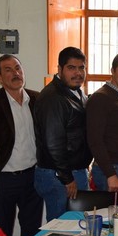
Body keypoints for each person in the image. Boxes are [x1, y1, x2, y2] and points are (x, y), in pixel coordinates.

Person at [0, 55, 43, 236]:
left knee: (32, 232)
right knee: (1, 233)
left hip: (32, 178)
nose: (16, 73)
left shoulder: (37, 99)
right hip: (4, 179)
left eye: (18, 68)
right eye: (8, 70)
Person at [34, 46, 92, 221]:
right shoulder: (54, 98)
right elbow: (53, 143)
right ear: (59, 69)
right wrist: (67, 178)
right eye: (71, 68)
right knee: (62, 229)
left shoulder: (75, 92)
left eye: (81, 67)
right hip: (59, 177)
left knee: (75, 226)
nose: (78, 73)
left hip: (71, 172)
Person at [87, 53, 118, 199]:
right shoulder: (101, 97)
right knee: (112, 212)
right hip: (112, 169)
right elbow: (95, 140)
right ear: (112, 71)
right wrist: (110, 174)